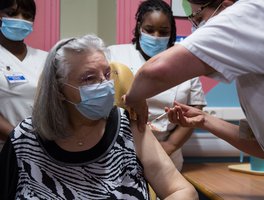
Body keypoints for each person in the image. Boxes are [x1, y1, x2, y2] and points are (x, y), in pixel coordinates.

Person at [124, 0, 264, 192]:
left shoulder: (247, 14)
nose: (197, 27)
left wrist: (134, 98)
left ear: (225, 6)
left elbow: (154, 72)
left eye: (199, 17)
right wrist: (205, 121)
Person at [0, 34, 198, 200]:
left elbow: (182, 191)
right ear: (59, 90)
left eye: (107, 74)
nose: (105, 84)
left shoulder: (129, 128)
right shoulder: (24, 139)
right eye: (89, 78)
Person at [108, 0, 206, 171]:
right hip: (121, 152)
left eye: (163, 32)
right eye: (149, 30)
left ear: (172, 32)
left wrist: (171, 145)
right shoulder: (114, 55)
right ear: (139, 27)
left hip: (167, 153)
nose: (155, 36)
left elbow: (195, 107)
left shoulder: (185, 61)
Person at [0, 0, 48, 151]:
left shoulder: (46, 58)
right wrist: (20, 139)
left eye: (27, 16)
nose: (20, 20)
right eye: (12, 13)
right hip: (6, 149)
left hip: (43, 149)